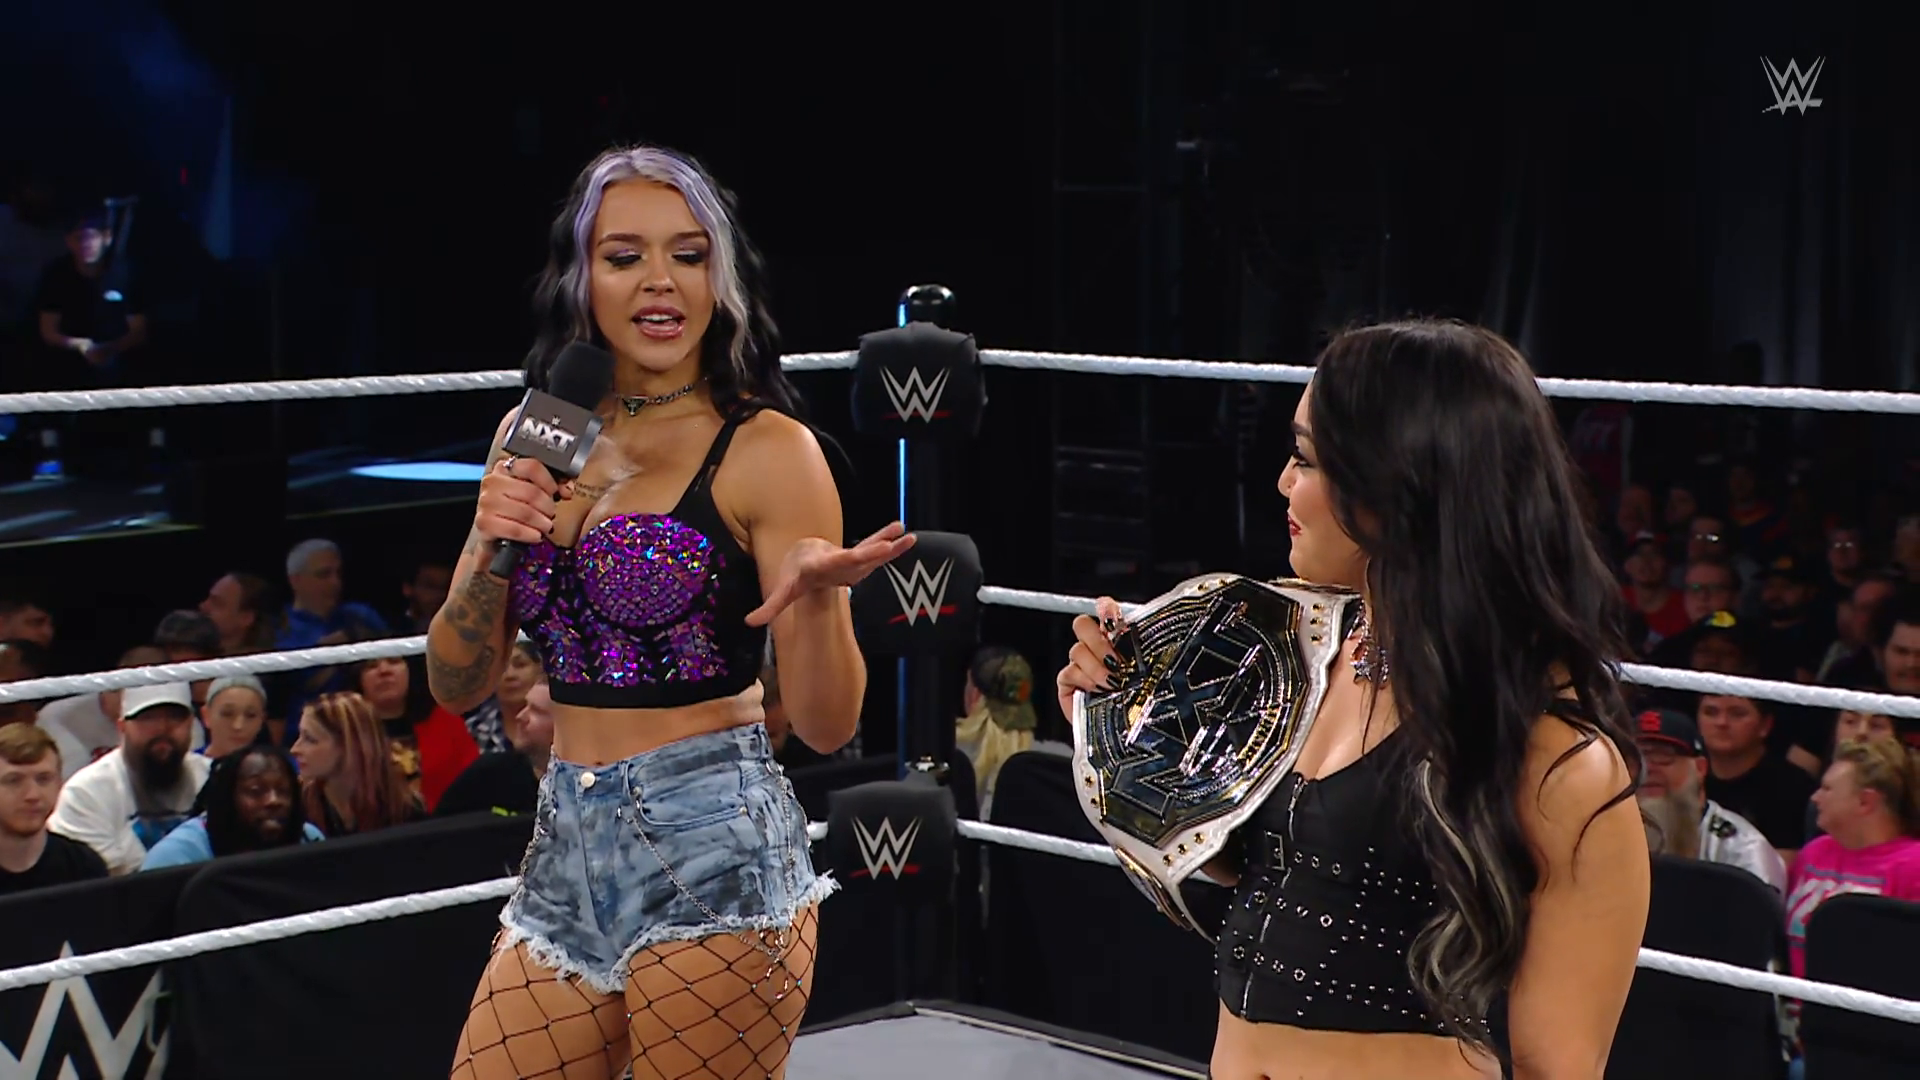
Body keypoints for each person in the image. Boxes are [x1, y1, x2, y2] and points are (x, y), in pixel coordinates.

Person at [427, 144, 910, 1080]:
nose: (660, 280)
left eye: (688, 255)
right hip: (564, 841)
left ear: (718, 279)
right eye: (625, 256)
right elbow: (457, 683)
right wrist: (488, 540)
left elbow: (827, 725)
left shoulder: (769, 448)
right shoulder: (538, 430)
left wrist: (817, 598)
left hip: (712, 843)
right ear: (582, 278)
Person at [1058, 319, 1649, 1080]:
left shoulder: (1559, 761)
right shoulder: (1288, 660)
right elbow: (1285, 878)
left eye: (1306, 458)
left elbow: (1558, 1065)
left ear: (1396, 483)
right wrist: (1119, 723)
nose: (1283, 482)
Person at [141, 744, 324, 870]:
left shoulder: (309, 839)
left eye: (283, 791)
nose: (274, 801)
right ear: (228, 797)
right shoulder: (174, 857)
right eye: (256, 791)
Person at [290, 692, 424, 837]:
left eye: (310, 739)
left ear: (350, 745)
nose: (294, 749)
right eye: (300, 736)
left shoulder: (405, 812)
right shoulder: (296, 809)